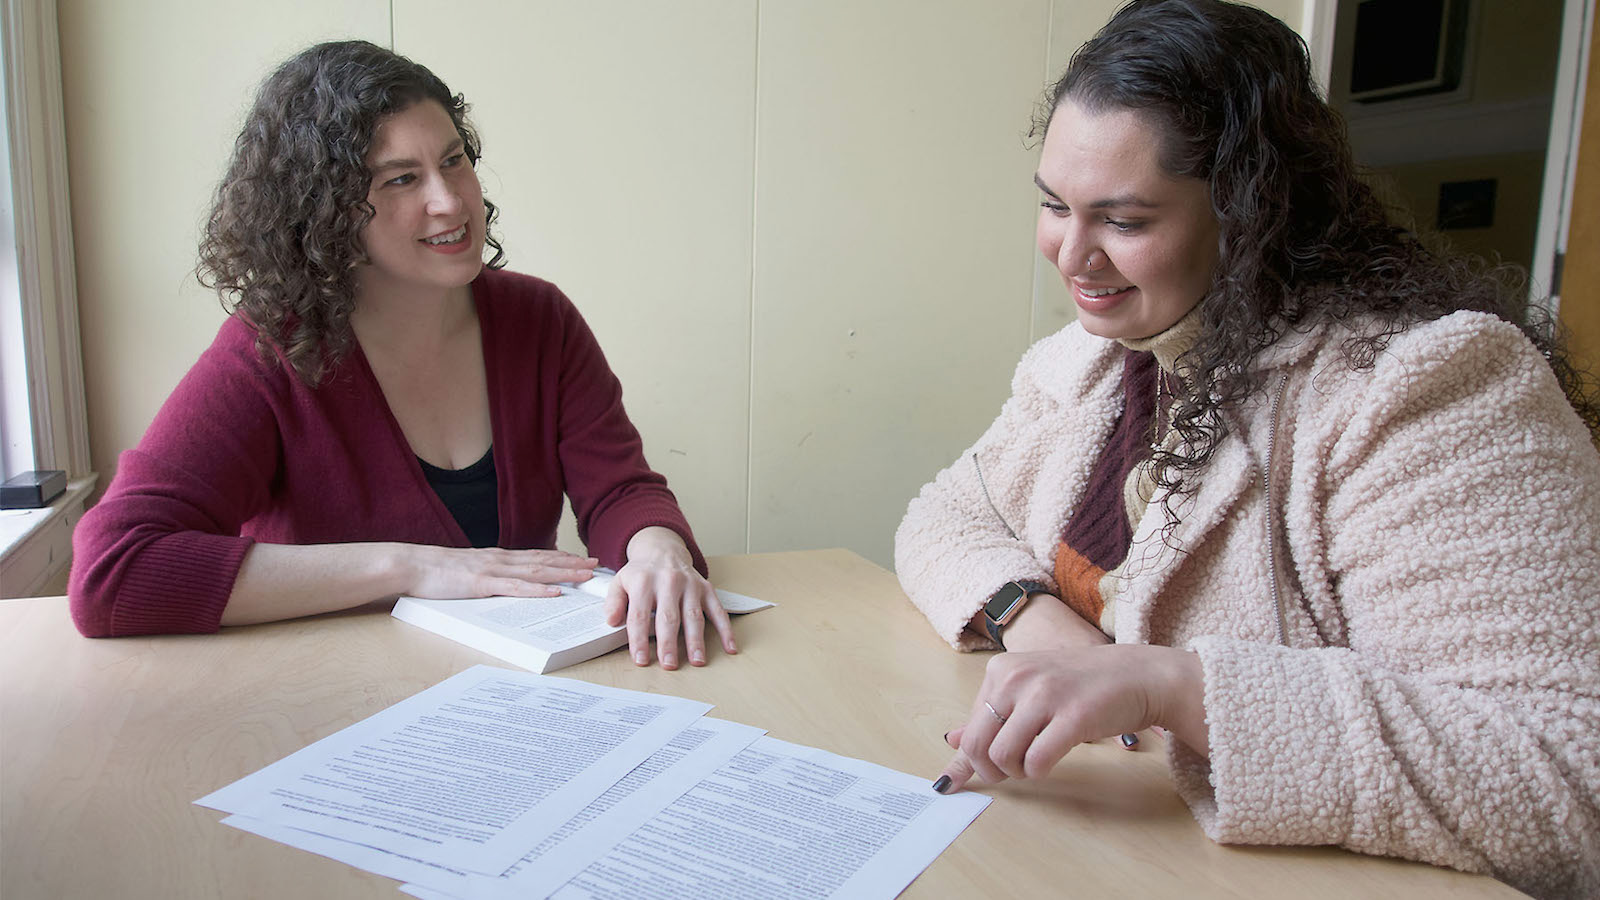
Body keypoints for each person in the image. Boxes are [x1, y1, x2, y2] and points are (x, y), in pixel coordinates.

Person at [893, 1, 1600, 897]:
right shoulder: (1089, 361)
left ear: (1251, 210)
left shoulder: (1424, 389)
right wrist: (1046, 631)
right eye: (1053, 205)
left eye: (1124, 220)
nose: (1072, 254)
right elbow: (945, 515)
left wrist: (1170, 688)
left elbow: (1567, 780)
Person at [69, 40, 736, 670]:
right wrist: (414, 567)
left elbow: (619, 489)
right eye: (399, 180)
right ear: (325, 211)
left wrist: (658, 551)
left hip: (524, 697)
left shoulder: (540, 319)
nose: (449, 201)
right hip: (333, 703)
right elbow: (113, 571)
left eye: (454, 161)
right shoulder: (271, 351)